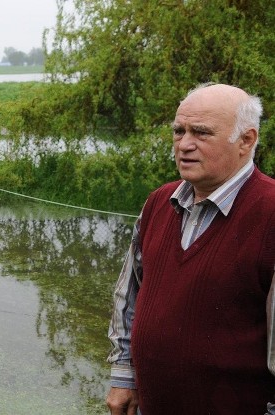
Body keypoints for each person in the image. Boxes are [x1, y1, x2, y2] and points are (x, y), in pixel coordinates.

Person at [106, 83, 275, 414]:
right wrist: (124, 375)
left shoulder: (270, 214)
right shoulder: (159, 203)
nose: (184, 144)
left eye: (201, 133)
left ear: (246, 140)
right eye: (178, 131)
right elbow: (129, 297)